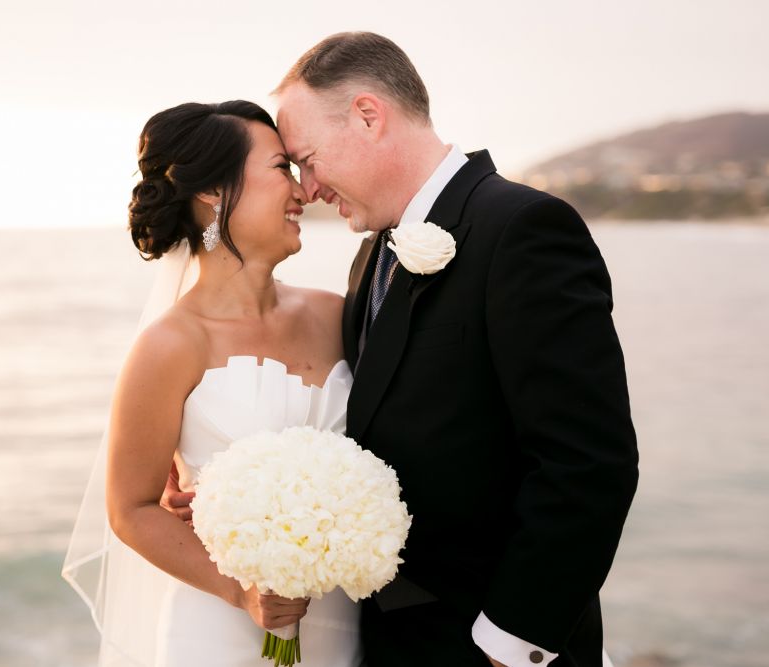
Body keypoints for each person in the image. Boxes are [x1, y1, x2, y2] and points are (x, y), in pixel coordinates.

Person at [165, 32, 639, 667]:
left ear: (367, 116)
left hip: (491, 641)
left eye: (306, 158)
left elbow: (587, 464)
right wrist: (226, 496)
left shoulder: (522, 229)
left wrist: (510, 645)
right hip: (390, 639)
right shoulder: (373, 257)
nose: (306, 188)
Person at [63, 100, 364, 666]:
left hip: (344, 619)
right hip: (218, 629)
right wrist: (241, 591)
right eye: (281, 169)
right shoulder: (170, 346)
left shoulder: (337, 318)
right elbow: (130, 508)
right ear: (214, 191)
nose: (302, 192)